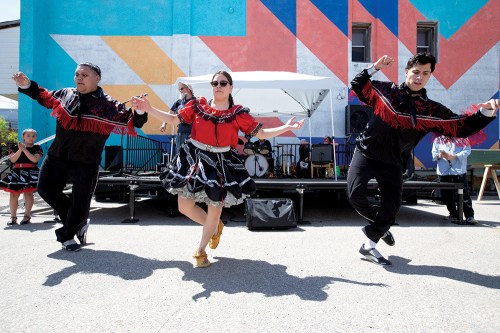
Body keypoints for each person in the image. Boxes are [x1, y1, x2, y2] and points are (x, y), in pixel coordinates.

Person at [132, 70, 305, 268]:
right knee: (184, 206)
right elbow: (173, 120)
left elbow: (262, 133)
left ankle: (201, 250)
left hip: (222, 162)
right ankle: (214, 228)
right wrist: (149, 108)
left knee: (215, 210)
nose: (218, 87)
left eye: (223, 83)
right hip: (195, 158)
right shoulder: (198, 106)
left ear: (231, 87)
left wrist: (287, 127)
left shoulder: (238, 114)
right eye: (215, 83)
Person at [348, 52, 498, 266]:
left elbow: (460, 126)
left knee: (391, 208)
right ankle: (380, 227)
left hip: (393, 162)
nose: (419, 77)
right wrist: (375, 67)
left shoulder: (431, 110)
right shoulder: (385, 91)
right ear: (407, 72)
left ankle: (370, 243)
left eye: (425, 73)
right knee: (355, 196)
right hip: (366, 152)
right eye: (416, 72)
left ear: (429, 77)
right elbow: (357, 85)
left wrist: (484, 113)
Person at [12, 63, 148, 252]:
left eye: (84, 74)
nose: (79, 78)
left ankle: (67, 235)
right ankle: (78, 221)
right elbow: (43, 96)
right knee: (45, 189)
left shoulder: (109, 105)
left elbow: (134, 121)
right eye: (77, 74)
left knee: (80, 202)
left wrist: (140, 110)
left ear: (97, 78)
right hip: (58, 156)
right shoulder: (65, 94)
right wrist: (27, 84)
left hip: (86, 161)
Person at [0, 128, 43, 225]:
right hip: (17, 171)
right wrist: (20, 149)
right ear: (23, 137)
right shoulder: (15, 147)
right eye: (28, 136)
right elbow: (13, 160)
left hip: (30, 171)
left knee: (28, 193)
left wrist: (25, 149)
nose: (31, 138)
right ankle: (13, 217)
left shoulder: (37, 147)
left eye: (33, 136)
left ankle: (27, 216)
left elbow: (34, 160)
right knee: (13, 194)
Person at [432, 136, 477, 224]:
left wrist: (455, 156)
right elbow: (434, 154)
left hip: (458, 170)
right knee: (446, 194)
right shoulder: (438, 139)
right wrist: (439, 155)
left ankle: (469, 216)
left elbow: (467, 151)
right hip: (444, 170)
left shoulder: (462, 138)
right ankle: (453, 213)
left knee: (463, 193)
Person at [160, 82, 196, 154]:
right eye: (179, 89)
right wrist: (164, 124)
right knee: (179, 155)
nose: (180, 91)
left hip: (191, 134)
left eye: (182, 89)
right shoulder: (179, 102)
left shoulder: (195, 101)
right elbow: (170, 113)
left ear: (188, 88)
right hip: (180, 133)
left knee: (190, 156)